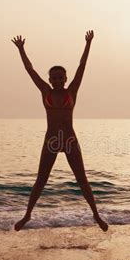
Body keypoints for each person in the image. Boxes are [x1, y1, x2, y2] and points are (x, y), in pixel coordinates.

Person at [11, 31, 108, 232]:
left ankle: (96, 215)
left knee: (82, 179)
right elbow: (30, 70)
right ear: (50, 79)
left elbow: (82, 67)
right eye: (53, 78)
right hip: (52, 140)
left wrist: (88, 44)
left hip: (70, 140)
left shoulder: (71, 91)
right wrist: (21, 50)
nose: (56, 80)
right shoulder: (45, 91)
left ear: (65, 78)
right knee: (41, 180)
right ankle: (27, 215)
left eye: (60, 77)